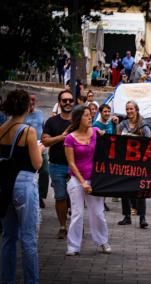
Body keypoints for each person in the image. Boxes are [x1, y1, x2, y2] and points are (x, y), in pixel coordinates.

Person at [0, 90, 43, 284]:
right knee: (28, 239)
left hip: (5, 183)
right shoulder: (28, 131)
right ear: (27, 107)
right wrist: (40, 149)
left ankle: (7, 279)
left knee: (8, 237)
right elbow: (36, 164)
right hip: (24, 183)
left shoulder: (2, 128)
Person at [64, 105, 111, 256]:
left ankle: (102, 241)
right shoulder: (70, 138)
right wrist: (82, 182)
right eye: (86, 115)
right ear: (78, 119)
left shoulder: (96, 132)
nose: (90, 117)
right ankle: (73, 246)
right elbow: (71, 163)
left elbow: (108, 142)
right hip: (76, 180)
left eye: (90, 114)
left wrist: (106, 135)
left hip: (95, 180)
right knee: (77, 213)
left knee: (98, 213)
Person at [42, 90, 74, 239]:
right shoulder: (52, 122)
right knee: (60, 197)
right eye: (64, 100)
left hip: (76, 166)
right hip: (57, 165)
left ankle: (75, 225)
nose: (68, 103)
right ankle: (63, 226)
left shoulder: (78, 121)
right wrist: (62, 137)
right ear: (59, 102)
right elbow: (45, 141)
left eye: (70, 100)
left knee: (75, 197)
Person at [116, 101, 151, 228]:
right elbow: (117, 142)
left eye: (131, 108)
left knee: (140, 190)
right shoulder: (122, 125)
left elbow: (149, 143)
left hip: (140, 162)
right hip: (125, 162)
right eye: (127, 109)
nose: (129, 111)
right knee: (124, 189)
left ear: (136, 109)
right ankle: (127, 216)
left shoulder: (144, 126)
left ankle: (142, 218)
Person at [24, 93, 49, 209]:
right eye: (29, 100)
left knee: (45, 172)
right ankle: (31, 197)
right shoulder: (22, 114)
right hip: (27, 149)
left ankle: (40, 195)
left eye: (33, 100)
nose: (31, 102)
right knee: (29, 174)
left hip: (41, 147)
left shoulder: (40, 113)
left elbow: (43, 127)